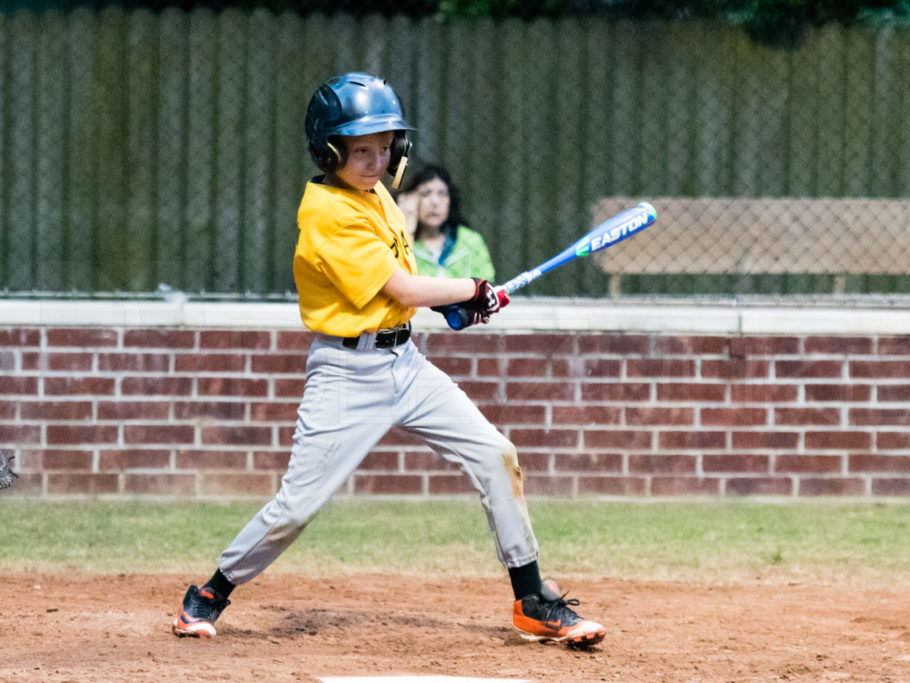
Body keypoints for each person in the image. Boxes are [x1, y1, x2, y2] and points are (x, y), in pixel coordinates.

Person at [171, 72, 606, 649]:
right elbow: (402, 286)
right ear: (330, 152)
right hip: (347, 374)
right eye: (360, 150)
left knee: (495, 452)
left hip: (404, 362)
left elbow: (402, 293)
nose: (376, 161)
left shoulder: (376, 198)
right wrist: (469, 289)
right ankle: (210, 593)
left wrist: (456, 305)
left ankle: (532, 598)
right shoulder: (327, 213)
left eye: (385, 147)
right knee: (298, 505)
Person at [397, 164, 496, 280]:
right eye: (425, 193)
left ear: (450, 200)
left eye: (442, 194)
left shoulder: (470, 241)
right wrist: (408, 227)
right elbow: (399, 282)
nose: (434, 202)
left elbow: (486, 286)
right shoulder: (400, 241)